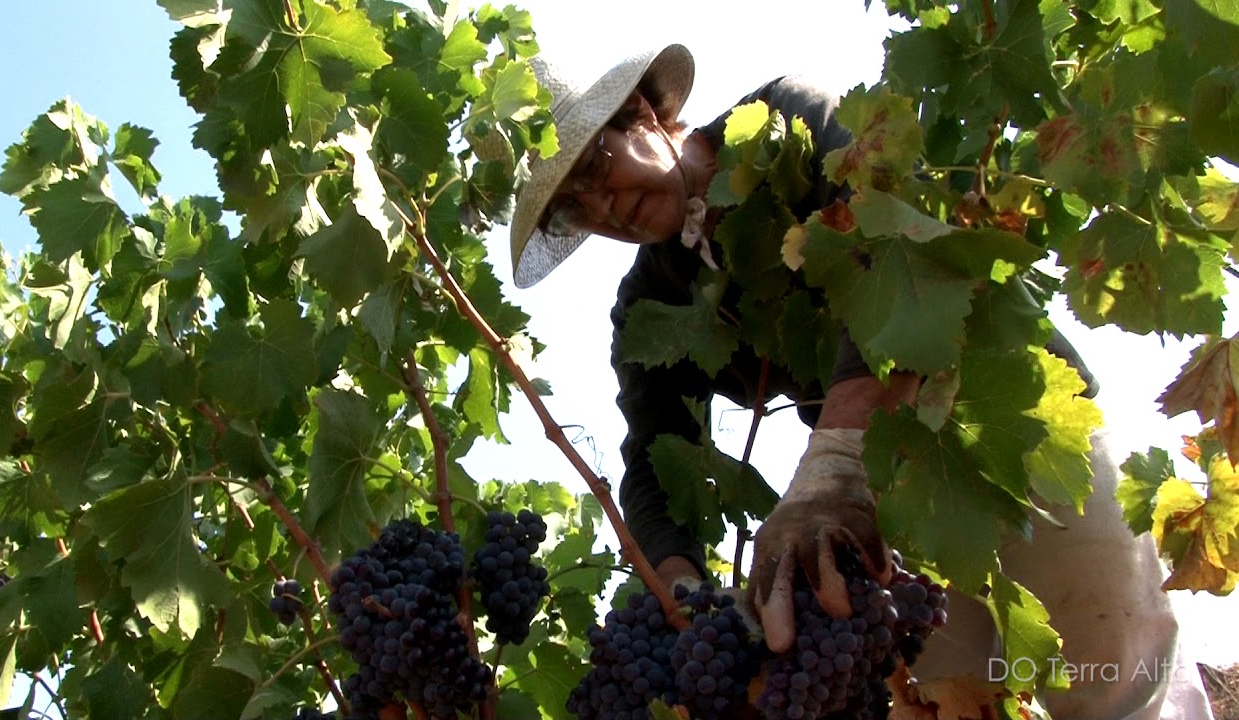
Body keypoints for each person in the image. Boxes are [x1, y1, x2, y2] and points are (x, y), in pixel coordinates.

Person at [507, 44, 1215, 719]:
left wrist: (839, 451)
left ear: (643, 114)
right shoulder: (646, 310)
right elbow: (652, 465)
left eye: (597, 165)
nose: (603, 207)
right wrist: (682, 590)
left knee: (1111, 667)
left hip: (1017, 418)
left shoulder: (784, 123)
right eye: (575, 207)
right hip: (900, 496)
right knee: (948, 703)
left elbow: (896, 247)